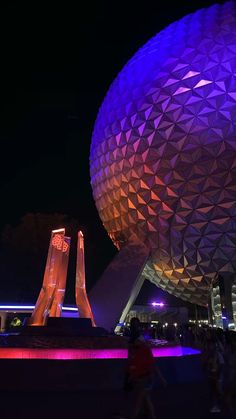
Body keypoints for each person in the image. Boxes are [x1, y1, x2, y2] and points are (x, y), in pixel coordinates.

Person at [124, 317, 166, 419]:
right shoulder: (141, 349)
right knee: (145, 399)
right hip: (143, 378)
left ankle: (143, 416)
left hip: (143, 379)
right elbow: (152, 364)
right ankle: (150, 415)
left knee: (140, 400)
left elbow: (150, 364)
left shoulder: (138, 350)